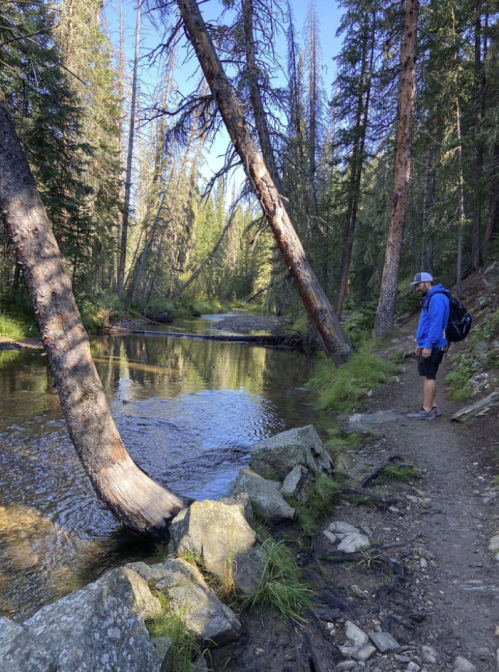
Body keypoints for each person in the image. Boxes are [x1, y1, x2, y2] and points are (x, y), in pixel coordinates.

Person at [407, 272, 450, 420]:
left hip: (435, 344)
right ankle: (433, 407)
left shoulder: (437, 298)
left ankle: (426, 410)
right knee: (424, 375)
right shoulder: (431, 297)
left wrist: (428, 345)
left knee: (430, 376)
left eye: (418, 285)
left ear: (427, 282)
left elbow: (436, 324)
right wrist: (420, 344)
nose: (417, 289)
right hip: (427, 343)